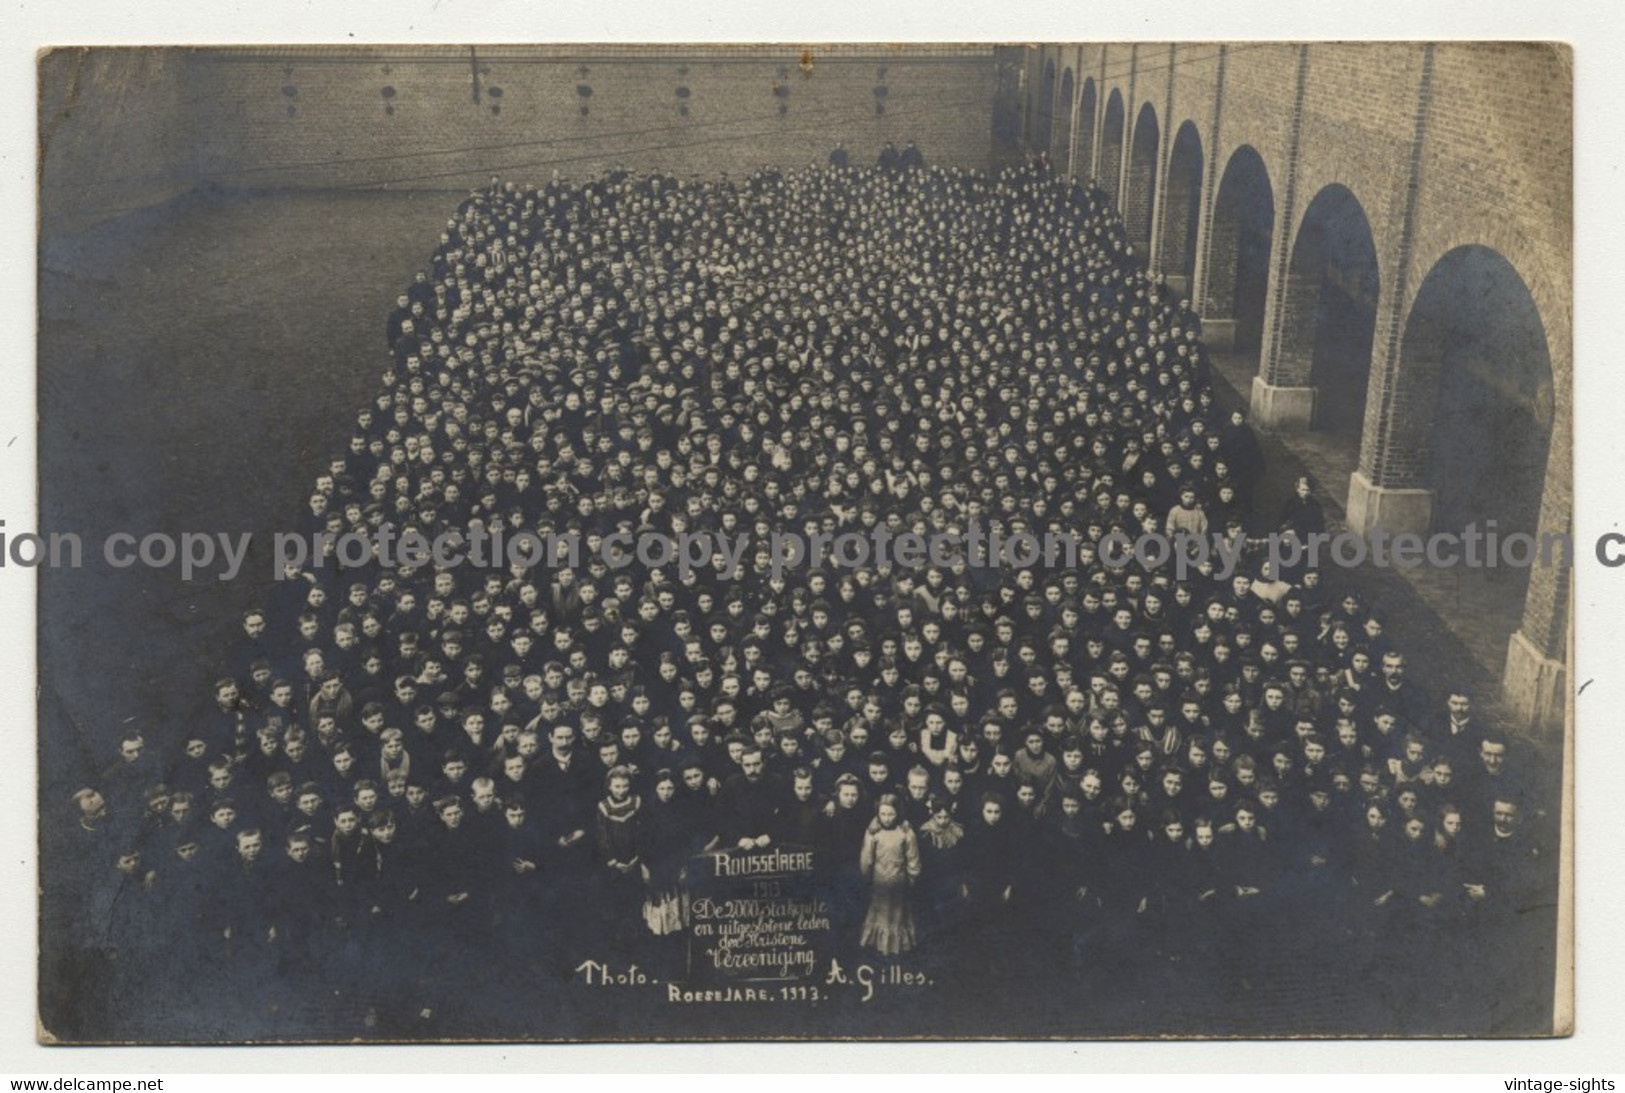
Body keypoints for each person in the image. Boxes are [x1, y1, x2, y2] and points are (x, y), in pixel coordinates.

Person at [857, 793, 922, 955]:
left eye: (891, 814)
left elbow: (913, 859)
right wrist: (867, 879)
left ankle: (898, 946)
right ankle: (879, 945)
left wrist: (912, 878)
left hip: (899, 883)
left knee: (898, 916)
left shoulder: (906, 833)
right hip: (879, 883)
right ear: (877, 813)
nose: (887, 818)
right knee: (880, 914)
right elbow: (866, 859)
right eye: (883, 814)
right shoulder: (873, 833)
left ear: (898, 813)